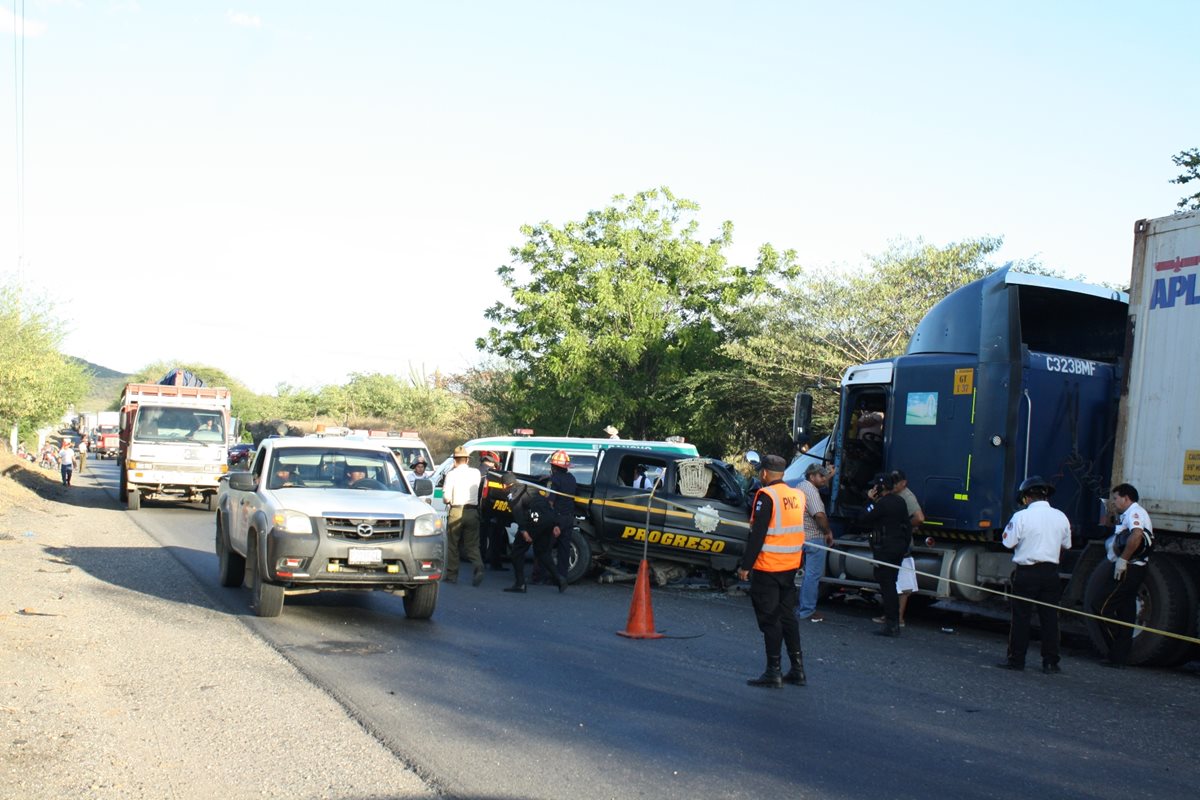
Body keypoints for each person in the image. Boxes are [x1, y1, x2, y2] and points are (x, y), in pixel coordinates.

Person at [736, 454, 807, 688]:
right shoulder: (797, 495)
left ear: (765, 473)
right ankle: (797, 669)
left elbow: (757, 535)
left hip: (768, 567)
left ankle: (773, 671)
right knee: (788, 617)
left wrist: (746, 566)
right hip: (790, 566)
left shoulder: (766, 496)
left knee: (770, 620)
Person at [996, 475, 1072, 673]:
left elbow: (1008, 543)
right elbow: (1066, 545)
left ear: (1027, 497)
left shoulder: (1021, 516)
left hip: (1027, 571)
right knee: (1050, 618)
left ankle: (1017, 659)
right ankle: (1051, 662)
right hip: (1051, 572)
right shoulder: (1061, 516)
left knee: (1021, 617)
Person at [1091, 483, 1155, 668]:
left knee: (1101, 607)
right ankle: (1118, 658)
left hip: (1130, 568)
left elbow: (1136, 536)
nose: (1115, 502)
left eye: (1116, 498)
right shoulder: (1126, 514)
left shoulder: (1135, 513)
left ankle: (1116, 649)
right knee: (1126, 611)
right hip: (1133, 567)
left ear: (1126, 498)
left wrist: (1123, 560)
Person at [858, 473, 911, 637]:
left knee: (887, 586)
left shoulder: (881, 504)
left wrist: (869, 500)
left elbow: (863, 518)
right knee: (892, 584)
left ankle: (891, 624)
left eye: (875, 486)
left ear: (880, 487)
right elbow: (907, 526)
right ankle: (893, 621)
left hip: (885, 549)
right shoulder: (900, 501)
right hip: (898, 547)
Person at [872, 469, 926, 627]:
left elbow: (919, 518)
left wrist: (902, 527)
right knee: (896, 582)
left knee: (900, 583)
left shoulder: (906, 497)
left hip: (900, 544)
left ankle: (897, 618)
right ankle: (893, 616)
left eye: (897, 481)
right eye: (892, 481)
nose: (894, 484)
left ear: (904, 482)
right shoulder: (894, 495)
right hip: (898, 543)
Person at [501, 471, 566, 593]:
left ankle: (520, 584)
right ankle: (560, 579)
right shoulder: (529, 488)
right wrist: (555, 524)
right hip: (548, 520)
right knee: (543, 553)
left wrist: (524, 531)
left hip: (535, 522)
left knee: (517, 552)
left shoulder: (512, 493)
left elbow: (518, 512)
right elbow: (547, 504)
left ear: (505, 485)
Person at [795, 463, 835, 622]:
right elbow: (819, 515)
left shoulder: (800, 486)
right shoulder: (811, 491)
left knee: (800, 574)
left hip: (800, 535)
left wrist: (829, 475)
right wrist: (827, 532)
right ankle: (807, 610)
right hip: (813, 537)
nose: (825, 479)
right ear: (812, 477)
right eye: (822, 476)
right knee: (812, 575)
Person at [442, 446, 484, 586]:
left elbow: (446, 498)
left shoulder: (451, 474)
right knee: (472, 544)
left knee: (453, 545)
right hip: (472, 511)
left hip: (456, 511)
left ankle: (452, 575)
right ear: (467, 460)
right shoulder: (476, 473)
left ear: (455, 461)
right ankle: (478, 566)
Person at [543, 450, 577, 585]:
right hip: (569, 518)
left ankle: (543, 576)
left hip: (556, 518)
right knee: (564, 549)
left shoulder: (554, 480)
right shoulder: (572, 478)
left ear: (553, 467)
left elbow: (550, 501)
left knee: (546, 548)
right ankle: (562, 577)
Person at [477, 452, 508, 570]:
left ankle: (481, 562)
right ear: (492, 463)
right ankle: (494, 563)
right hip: (492, 511)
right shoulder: (492, 475)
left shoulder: (476, 472)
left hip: (479, 510)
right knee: (494, 537)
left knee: (482, 538)